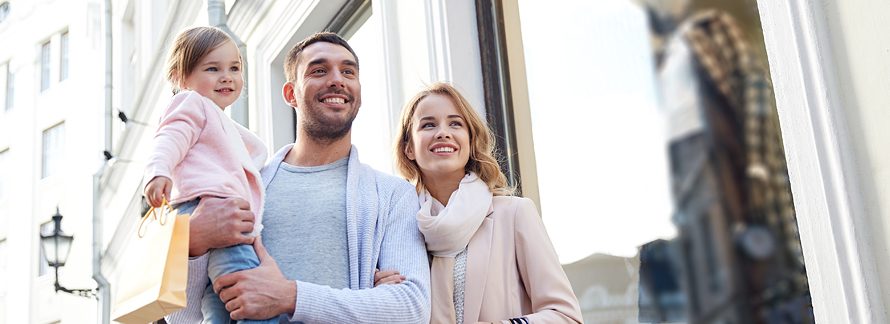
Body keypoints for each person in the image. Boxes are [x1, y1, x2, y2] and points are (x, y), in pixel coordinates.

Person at [165, 32, 431, 324]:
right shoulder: (242, 189)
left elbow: (411, 307)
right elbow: (181, 317)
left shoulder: (392, 195)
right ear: (291, 94)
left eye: (348, 71)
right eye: (319, 70)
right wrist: (193, 243)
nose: (337, 79)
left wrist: (290, 297)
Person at [381, 82, 583, 323]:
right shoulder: (395, 230)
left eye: (455, 123)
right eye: (428, 125)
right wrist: (381, 297)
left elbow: (566, 316)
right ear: (408, 148)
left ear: (470, 141)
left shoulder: (516, 214)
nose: (443, 132)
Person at [142, 26, 274, 324]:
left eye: (234, 68)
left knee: (219, 300)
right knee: (251, 293)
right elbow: (169, 137)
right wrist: (158, 171)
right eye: (212, 68)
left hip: (218, 212)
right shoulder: (191, 103)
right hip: (208, 208)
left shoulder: (223, 124)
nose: (227, 76)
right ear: (180, 77)